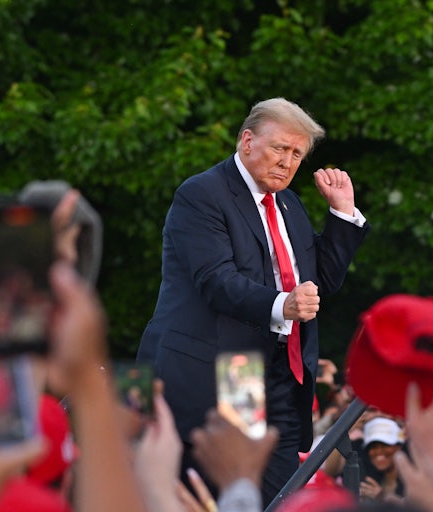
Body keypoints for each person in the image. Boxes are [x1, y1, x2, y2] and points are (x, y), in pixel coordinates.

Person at [137, 97, 370, 505]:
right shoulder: (202, 193)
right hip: (213, 373)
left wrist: (343, 213)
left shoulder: (289, 204)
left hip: (275, 376)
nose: (288, 161)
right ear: (247, 141)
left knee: (276, 496)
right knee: (207, 496)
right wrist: (284, 306)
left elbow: (322, 281)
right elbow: (216, 280)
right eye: (280, 148)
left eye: (297, 154)